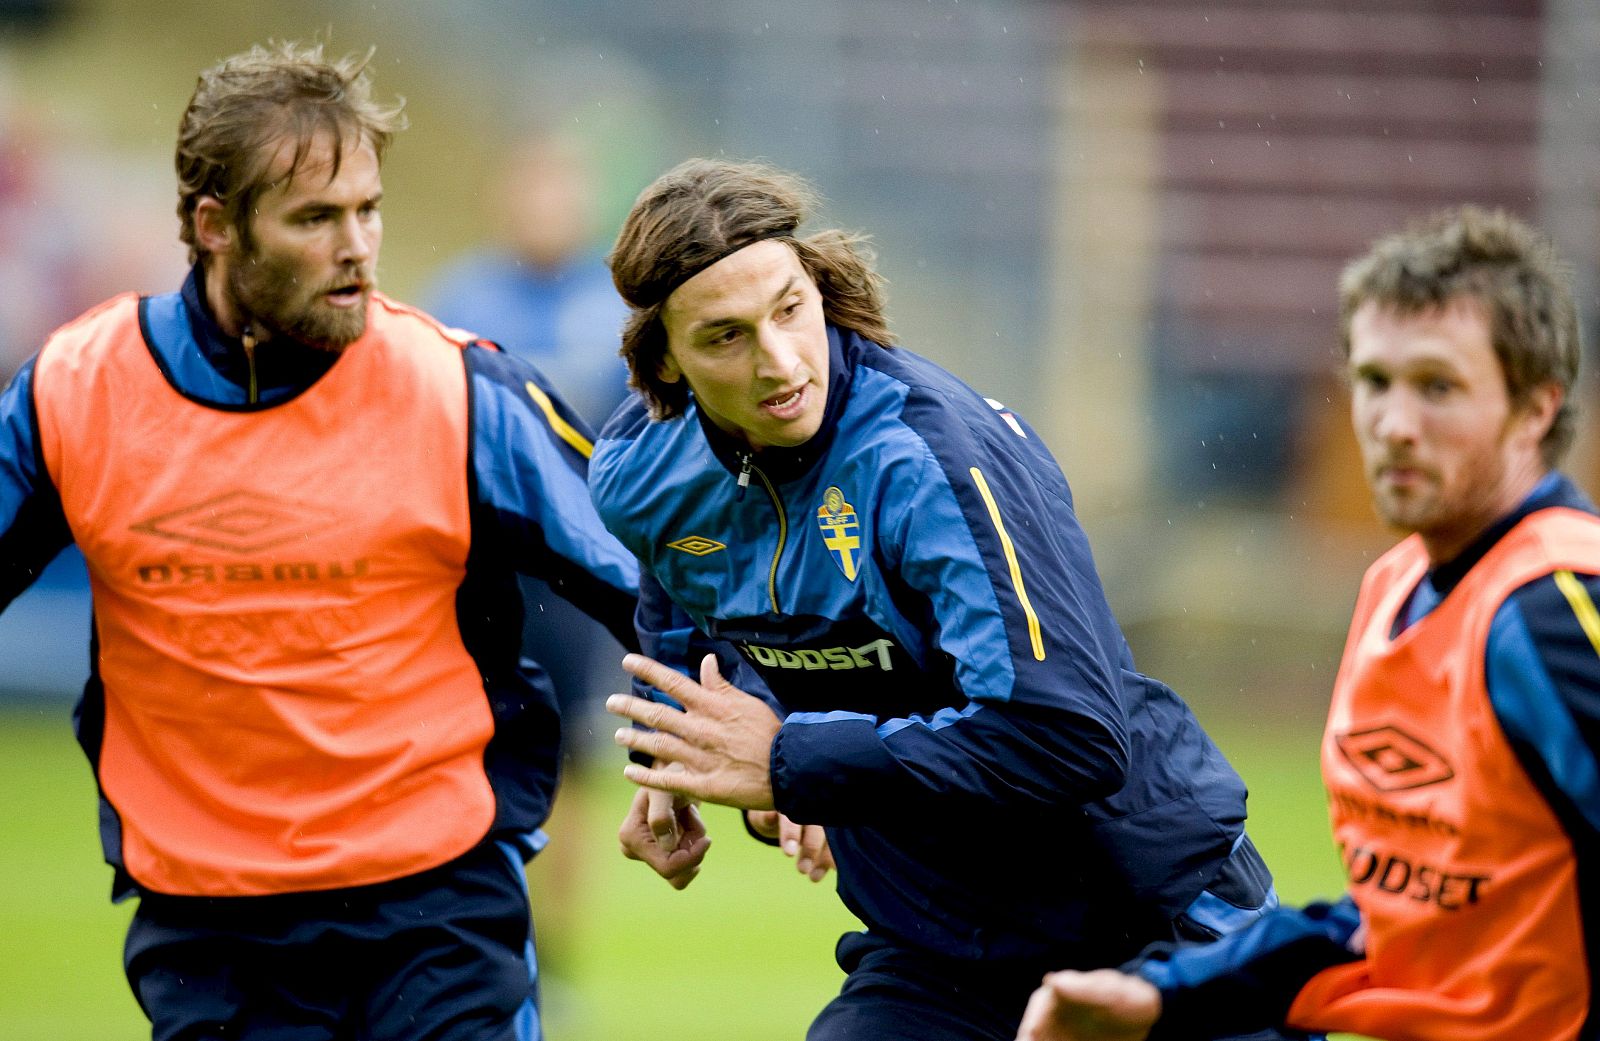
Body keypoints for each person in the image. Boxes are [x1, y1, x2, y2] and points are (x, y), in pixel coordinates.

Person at [0, 41, 639, 1041]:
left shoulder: (461, 393)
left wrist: (777, 747)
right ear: (214, 228)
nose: (357, 246)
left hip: (437, 915)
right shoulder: (73, 395)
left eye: (368, 210)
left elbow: (652, 584)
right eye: (314, 218)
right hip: (210, 936)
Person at [589, 157, 1288, 1041]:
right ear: (665, 362)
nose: (778, 361)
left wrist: (796, 760)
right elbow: (686, 606)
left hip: (1147, 921)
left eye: (789, 309)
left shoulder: (928, 460)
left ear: (818, 282)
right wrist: (687, 748)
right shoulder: (644, 467)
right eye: (725, 337)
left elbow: (1067, 736)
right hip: (940, 950)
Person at [1013, 206, 1599, 1041]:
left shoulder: (1555, 607)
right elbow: (1392, 922)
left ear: (1536, 407)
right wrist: (1162, 994)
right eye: (1374, 380)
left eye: (1437, 385)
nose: (1394, 423)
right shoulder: (1397, 585)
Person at [423, 128, 635, 980]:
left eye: (561, 188)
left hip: (579, 570)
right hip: (483, 563)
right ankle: (474, 923)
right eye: (531, 187)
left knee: (574, 760)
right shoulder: (464, 295)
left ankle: (553, 949)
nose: (546, 206)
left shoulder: (615, 302)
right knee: (465, 741)